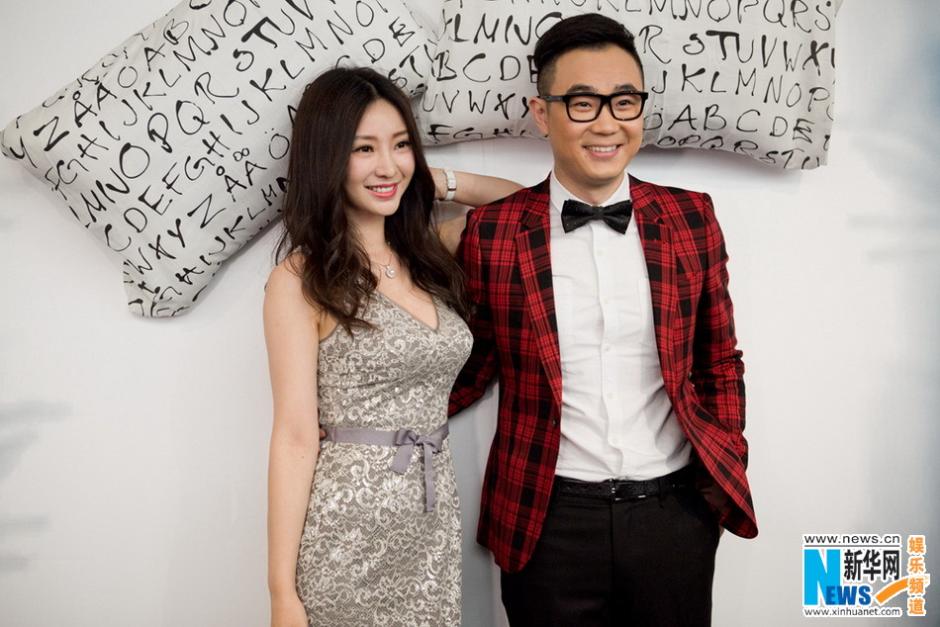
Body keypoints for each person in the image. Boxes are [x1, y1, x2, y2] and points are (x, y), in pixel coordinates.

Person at [448, 13, 758, 626]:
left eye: (624, 101)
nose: (607, 123)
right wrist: (364, 425)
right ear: (542, 114)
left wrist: (725, 463)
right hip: (546, 519)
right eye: (582, 103)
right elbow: (469, 364)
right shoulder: (493, 232)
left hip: (676, 515)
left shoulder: (691, 217)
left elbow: (719, 359)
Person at [263, 66, 521, 627]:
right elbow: (294, 436)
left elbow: (526, 206)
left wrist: (430, 179)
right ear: (328, 158)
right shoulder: (301, 279)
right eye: (364, 149)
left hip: (431, 523)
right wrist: (281, 593)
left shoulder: (430, 254)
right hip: (346, 533)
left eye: (400, 144)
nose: (387, 165)